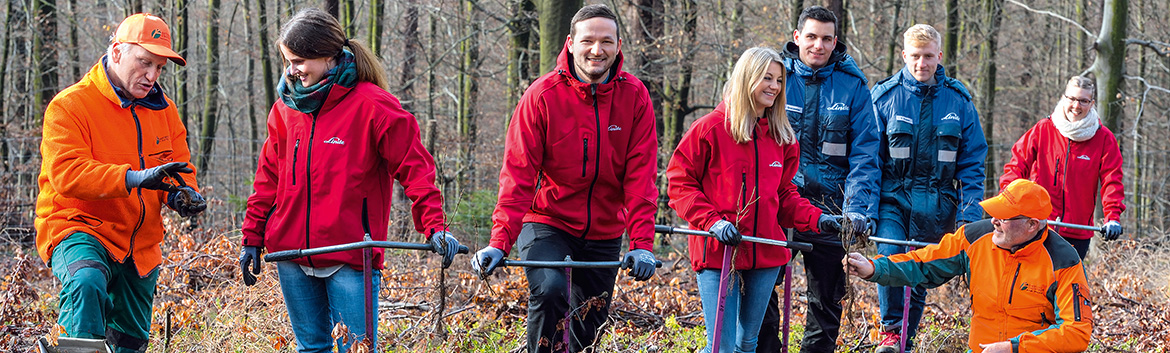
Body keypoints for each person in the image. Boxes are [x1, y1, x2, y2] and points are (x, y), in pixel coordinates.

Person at [238, 8, 460, 353]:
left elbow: (416, 170)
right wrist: (252, 236)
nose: (291, 71)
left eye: (298, 61)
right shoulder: (285, 108)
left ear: (327, 56)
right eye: (287, 61)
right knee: (310, 348)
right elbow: (267, 177)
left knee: (357, 349)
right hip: (291, 255)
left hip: (350, 257)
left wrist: (434, 226)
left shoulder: (374, 106)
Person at [469, 4, 660, 352]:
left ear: (618, 46)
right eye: (588, 41)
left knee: (589, 324)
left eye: (606, 41)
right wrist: (499, 241)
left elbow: (641, 178)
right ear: (571, 44)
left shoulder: (635, 97)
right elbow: (517, 175)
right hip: (548, 222)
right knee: (551, 289)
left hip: (605, 230)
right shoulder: (542, 96)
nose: (597, 50)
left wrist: (642, 245)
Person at [34, 13, 207, 353]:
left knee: (129, 342)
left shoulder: (165, 111)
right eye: (145, 62)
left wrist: (182, 194)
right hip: (80, 227)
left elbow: (179, 168)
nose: (152, 75)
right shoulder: (70, 106)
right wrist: (132, 178)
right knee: (86, 283)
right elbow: (67, 173)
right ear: (116, 52)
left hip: (139, 245)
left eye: (159, 68)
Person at [666, 46, 846, 353]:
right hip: (718, 252)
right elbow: (680, 184)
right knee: (721, 346)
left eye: (779, 80)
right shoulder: (709, 129)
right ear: (747, 78)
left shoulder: (782, 138)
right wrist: (713, 223)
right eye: (767, 78)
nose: (774, 86)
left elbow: (785, 197)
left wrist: (819, 219)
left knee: (748, 342)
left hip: (765, 251)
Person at [843, 178, 1094, 353]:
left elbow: (1076, 331)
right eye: (994, 212)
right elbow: (924, 263)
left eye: (1004, 216)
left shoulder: (1064, 261)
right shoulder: (974, 237)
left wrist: (1014, 348)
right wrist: (875, 268)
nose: (994, 220)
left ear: (1032, 225)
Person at [756, 6, 882, 353]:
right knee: (761, 288)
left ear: (835, 41)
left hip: (831, 208)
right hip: (777, 205)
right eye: (811, 37)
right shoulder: (775, 78)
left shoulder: (853, 86)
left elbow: (865, 155)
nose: (818, 45)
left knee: (826, 302)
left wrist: (856, 209)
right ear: (797, 37)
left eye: (826, 39)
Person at [867, 24, 988, 352]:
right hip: (892, 198)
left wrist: (969, 218)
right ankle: (891, 332)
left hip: (938, 204)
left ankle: (903, 341)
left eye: (929, 56)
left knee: (920, 270)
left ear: (939, 56)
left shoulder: (959, 101)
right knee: (891, 255)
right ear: (904, 55)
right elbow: (869, 159)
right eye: (916, 56)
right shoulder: (884, 98)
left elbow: (973, 165)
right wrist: (866, 209)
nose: (922, 63)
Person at [1000, 76, 1125, 259]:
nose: (1076, 106)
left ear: (1092, 104)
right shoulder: (1043, 129)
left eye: (1083, 101)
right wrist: (1008, 200)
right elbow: (1016, 165)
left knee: (1068, 277)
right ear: (1063, 98)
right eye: (1072, 99)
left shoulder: (1104, 138)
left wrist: (1112, 216)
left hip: (1077, 232)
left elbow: (1112, 180)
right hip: (1038, 227)